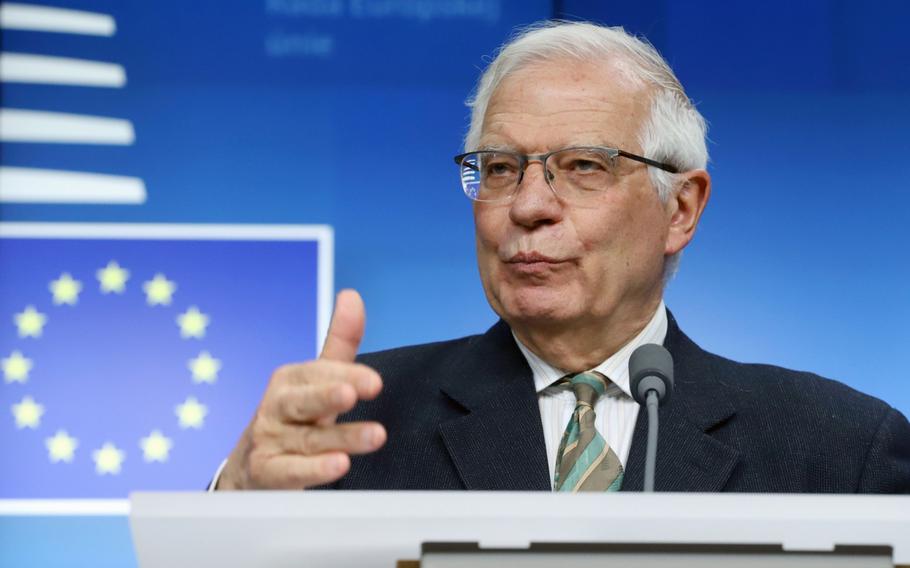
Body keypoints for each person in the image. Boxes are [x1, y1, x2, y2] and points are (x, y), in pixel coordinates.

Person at [212, 21, 910, 492]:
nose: (528, 205)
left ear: (681, 208)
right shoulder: (354, 431)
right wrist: (236, 499)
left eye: (582, 166)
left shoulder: (838, 447)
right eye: (499, 167)